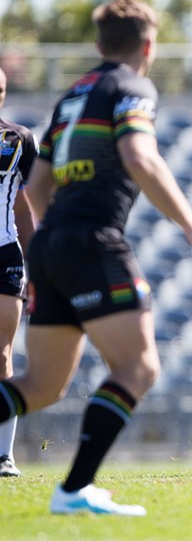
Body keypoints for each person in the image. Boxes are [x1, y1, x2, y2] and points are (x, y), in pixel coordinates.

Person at [0, 0, 192, 515]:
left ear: (99, 44)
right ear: (148, 47)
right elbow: (139, 155)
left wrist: (59, 239)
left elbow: (37, 185)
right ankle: (74, 490)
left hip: (51, 244)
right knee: (139, 367)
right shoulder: (132, 88)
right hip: (93, 241)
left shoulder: (74, 94)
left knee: (41, 386)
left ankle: (75, 491)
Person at [0, 67, 38, 478]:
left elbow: (24, 206)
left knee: (2, 353)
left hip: (4, 253)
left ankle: (3, 455)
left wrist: (38, 264)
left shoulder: (19, 139)